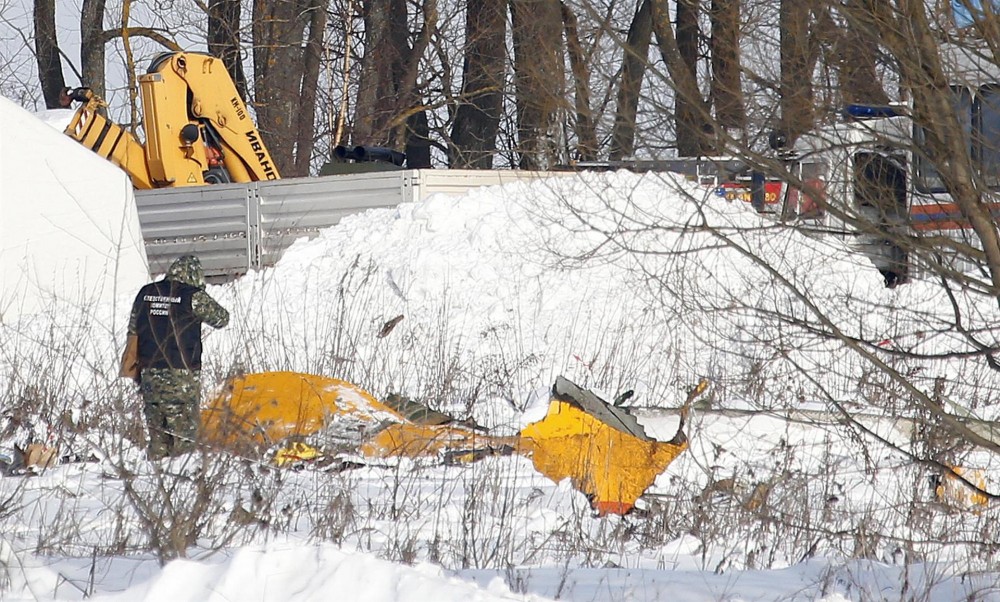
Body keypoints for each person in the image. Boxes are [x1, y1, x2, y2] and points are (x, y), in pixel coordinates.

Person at [128, 255, 229, 459]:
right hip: (181, 376)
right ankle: (181, 485)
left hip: (149, 375)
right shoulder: (192, 296)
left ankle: (154, 482)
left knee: (157, 439)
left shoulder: (145, 293)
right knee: (185, 441)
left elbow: (133, 329)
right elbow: (222, 318)